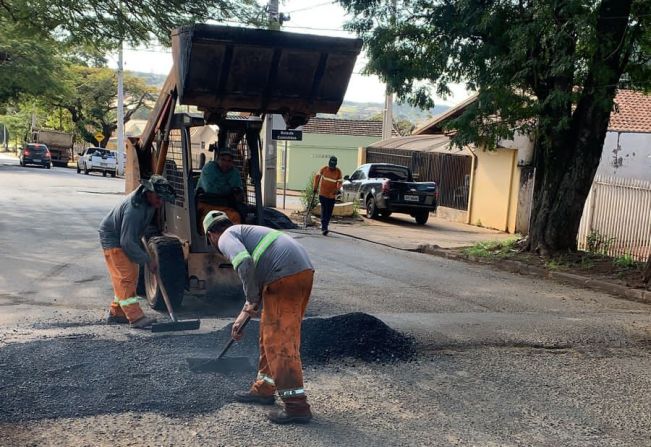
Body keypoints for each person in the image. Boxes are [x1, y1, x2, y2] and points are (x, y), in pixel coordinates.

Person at [203, 211, 314, 424]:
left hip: (286, 275)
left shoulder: (226, 236)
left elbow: (244, 263)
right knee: (268, 335)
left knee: (280, 343)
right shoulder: (246, 232)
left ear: (211, 235)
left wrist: (251, 298)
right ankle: (264, 388)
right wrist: (244, 314)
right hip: (298, 272)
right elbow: (257, 275)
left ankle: (296, 406)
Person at [98, 175, 176, 328]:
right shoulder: (134, 209)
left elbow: (134, 233)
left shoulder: (149, 202)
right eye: (159, 198)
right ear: (149, 192)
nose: (160, 202)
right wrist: (147, 260)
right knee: (126, 277)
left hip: (126, 236)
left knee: (131, 275)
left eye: (163, 199)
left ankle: (117, 313)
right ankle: (136, 318)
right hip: (113, 238)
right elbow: (126, 241)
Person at [196, 147, 244, 226]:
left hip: (224, 205)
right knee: (226, 219)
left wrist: (238, 193)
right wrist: (230, 190)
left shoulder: (234, 173)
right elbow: (211, 190)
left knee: (240, 215)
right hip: (206, 203)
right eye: (223, 160)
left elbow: (239, 192)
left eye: (229, 161)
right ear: (217, 159)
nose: (226, 163)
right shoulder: (209, 169)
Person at [313, 155, 342, 236]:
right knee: (324, 210)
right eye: (331, 165)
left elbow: (339, 182)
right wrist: (315, 187)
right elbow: (317, 177)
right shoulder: (324, 169)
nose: (331, 167)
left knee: (329, 212)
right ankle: (324, 227)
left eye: (333, 165)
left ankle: (325, 226)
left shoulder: (338, 172)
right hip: (323, 194)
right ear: (329, 163)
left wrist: (337, 189)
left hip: (331, 196)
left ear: (336, 164)